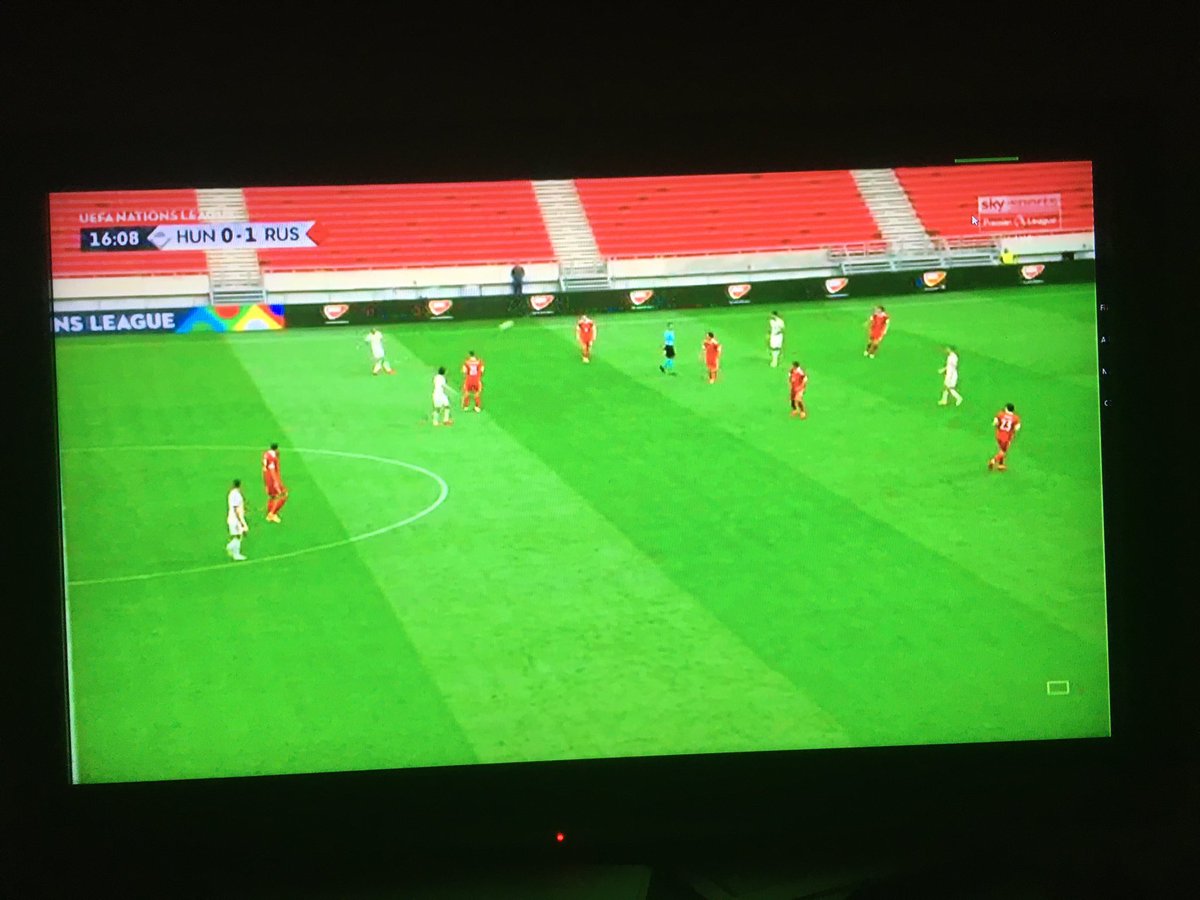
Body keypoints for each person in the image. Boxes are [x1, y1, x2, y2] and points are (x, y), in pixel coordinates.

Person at [988, 403, 1022, 471]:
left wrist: (998, 426)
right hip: (1007, 437)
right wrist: (1012, 431)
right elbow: (1017, 428)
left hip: (999, 435)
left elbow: (995, 422)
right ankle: (993, 460)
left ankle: (1001, 464)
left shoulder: (1000, 414)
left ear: (1006, 408)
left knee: (1001, 449)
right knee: (1003, 451)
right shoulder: (1016, 418)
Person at [262, 442, 288, 523]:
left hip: (267, 478)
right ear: (276, 449)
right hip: (273, 479)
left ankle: (269, 514)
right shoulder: (272, 458)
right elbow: (272, 470)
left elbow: (265, 468)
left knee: (273, 496)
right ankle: (272, 514)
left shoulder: (266, 454)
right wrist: (276, 483)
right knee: (283, 495)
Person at [226, 479, 248, 561]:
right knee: (238, 536)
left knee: (237, 536)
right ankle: (233, 551)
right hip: (235, 519)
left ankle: (234, 552)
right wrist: (241, 522)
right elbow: (236, 509)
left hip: (232, 518)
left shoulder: (231, 493)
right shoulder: (237, 495)